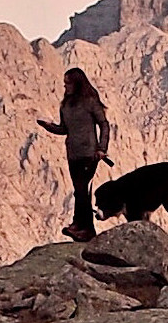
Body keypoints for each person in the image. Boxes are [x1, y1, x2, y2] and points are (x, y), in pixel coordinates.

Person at [37, 67, 112, 241]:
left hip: (89, 154)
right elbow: (64, 129)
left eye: (68, 83)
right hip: (73, 154)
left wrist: (102, 148)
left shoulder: (90, 101)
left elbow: (104, 124)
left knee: (82, 189)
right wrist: (49, 127)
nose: (66, 87)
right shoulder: (65, 105)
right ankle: (80, 226)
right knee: (79, 191)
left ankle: (85, 227)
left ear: (77, 84)